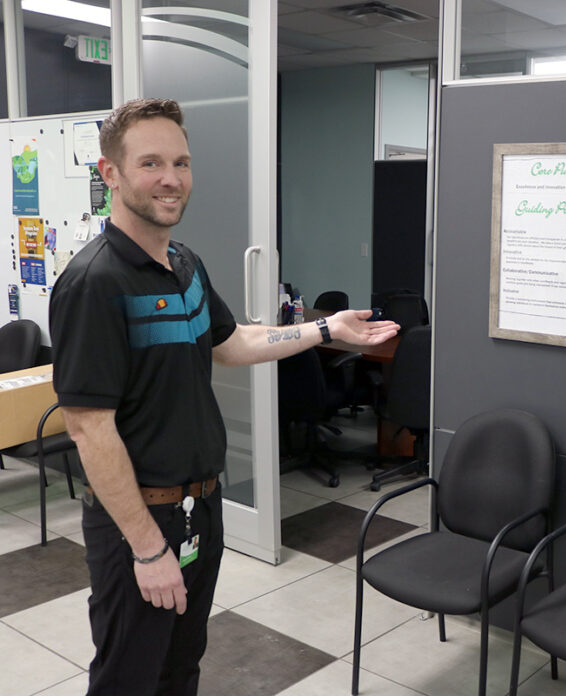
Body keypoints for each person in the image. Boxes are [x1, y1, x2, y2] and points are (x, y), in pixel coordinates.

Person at [48, 98, 400, 696]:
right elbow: (88, 427)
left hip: (200, 509)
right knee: (129, 678)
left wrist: (325, 329)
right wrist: (147, 549)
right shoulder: (94, 282)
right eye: (151, 163)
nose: (171, 178)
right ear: (111, 174)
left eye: (181, 163)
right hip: (141, 521)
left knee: (181, 669)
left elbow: (232, 342)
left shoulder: (184, 263)